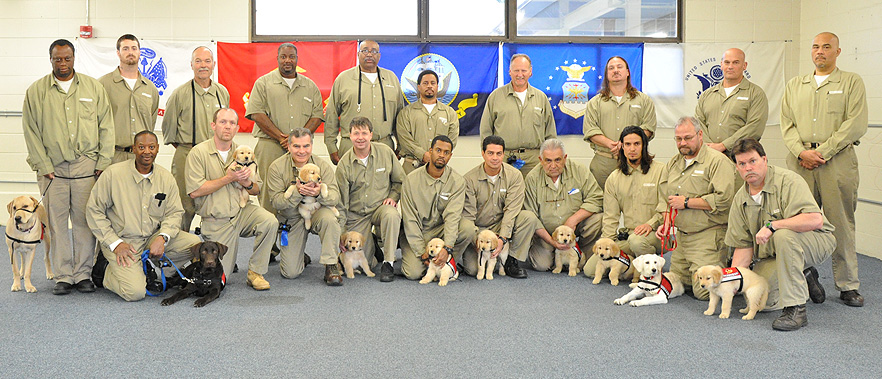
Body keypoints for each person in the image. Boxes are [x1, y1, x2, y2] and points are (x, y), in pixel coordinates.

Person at [780, 32, 868, 307]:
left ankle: (847, 285)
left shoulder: (851, 82)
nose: (820, 51)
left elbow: (855, 124)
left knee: (840, 223)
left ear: (838, 51)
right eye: (816, 47)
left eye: (826, 47)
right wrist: (801, 152)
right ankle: (805, 275)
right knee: (796, 222)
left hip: (837, 161)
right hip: (800, 161)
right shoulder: (796, 85)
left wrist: (822, 152)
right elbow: (787, 123)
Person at [22, 39, 113, 295]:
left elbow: (106, 125)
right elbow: (31, 131)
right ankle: (63, 275)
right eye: (57, 59)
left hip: (87, 165)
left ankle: (83, 274)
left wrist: (103, 161)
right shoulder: (37, 91)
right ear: (50, 59)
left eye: (67, 58)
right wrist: (43, 164)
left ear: (74, 58)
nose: (63, 64)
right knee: (57, 223)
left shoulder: (93, 88)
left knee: (85, 221)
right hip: (53, 169)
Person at [727, 138, 835, 331]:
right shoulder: (740, 200)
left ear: (764, 159)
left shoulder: (788, 181)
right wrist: (732, 282)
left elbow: (815, 220)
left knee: (783, 235)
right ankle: (805, 274)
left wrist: (773, 225)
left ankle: (796, 309)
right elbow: (743, 247)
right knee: (762, 301)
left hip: (816, 240)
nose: (748, 168)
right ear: (737, 168)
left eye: (753, 161)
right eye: (742, 164)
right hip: (777, 253)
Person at [86, 131, 201, 301]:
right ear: (134, 149)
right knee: (134, 293)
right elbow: (93, 210)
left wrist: (163, 237)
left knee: (195, 245)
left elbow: (175, 213)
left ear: (157, 149)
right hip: (123, 241)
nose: (147, 151)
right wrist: (115, 243)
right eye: (141, 147)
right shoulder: (113, 175)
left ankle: (144, 270)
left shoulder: (166, 178)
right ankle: (105, 272)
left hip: (152, 238)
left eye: (151, 147)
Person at [185, 108, 277, 290]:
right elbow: (194, 191)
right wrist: (229, 178)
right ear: (213, 125)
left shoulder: (245, 152)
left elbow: (256, 190)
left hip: (242, 211)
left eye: (232, 123)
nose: (227, 127)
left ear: (237, 128)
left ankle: (255, 272)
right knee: (219, 278)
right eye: (223, 122)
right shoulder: (199, 153)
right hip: (217, 219)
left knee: (270, 222)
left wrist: (247, 183)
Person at [655, 116, 736, 300]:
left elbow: (723, 199)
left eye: (688, 137)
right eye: (678, 139)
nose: (683, 143)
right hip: (682, 237)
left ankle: (739, 273)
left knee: (704, 292)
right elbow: (665, 197)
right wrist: (666, 223)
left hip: (707, 234)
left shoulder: (717, 161)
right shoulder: (674, 163)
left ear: (700, 135)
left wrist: (686, 202)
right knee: (673, 282)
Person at [246, 42, 323, 217]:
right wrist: (282, 138)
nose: (287, 60)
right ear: (277, 59)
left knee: (301, 186)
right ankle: (270, 234)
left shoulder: (310, 86)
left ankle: (293, 233)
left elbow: (317, 116)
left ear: (297, 59)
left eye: (291, 57)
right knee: (268, 188)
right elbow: (257, 114)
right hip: (270, 145)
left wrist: (297, 142)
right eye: (283, 57)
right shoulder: (263, 83)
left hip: (300, 149)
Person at [162, 46, 231, 232]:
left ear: (214, 65)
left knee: (218, 203)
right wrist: (187, 148)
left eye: (207, 61)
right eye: (198, 61)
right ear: (191, 65)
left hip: (216, 156)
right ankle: (178, 249)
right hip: (187, 153)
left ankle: (217, 250)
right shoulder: (180, 94)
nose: (203, 65)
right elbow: (168, 127)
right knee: (183, 207)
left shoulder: (222, 92)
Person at [267, 128, 344, 286]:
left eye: (306, 146)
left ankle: (331, 264)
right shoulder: (276, 167)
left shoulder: (322, 165)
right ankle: (300, 255)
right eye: (296, 146)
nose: (302, 151)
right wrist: (297, 192)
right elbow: (276, 202)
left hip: (317, 212)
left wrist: (319, 194)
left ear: (312, 145)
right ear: (288, 147)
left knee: (329, 218)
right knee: (290, 273)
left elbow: (335, 196)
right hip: (292, 218)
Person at [583, 126, 663, 278]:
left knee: (637, 242)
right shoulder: (614, 178)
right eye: (627, 144)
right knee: (591, 270)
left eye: (637, 144)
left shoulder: (660, 171)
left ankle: (653, 271)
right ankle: (632, 264)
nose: (632, 149)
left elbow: (666, 209)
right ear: (621, 147)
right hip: (629, 237)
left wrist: (650, 224)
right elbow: (610, 217)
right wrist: (607, 244)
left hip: (655, 234)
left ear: (644, 146)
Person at [335, 117, 404, 282]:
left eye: (364, 133)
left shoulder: (386, 153)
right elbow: (341, 203)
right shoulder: (344, 164)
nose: (360, 137)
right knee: (363, 262)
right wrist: (341, 234)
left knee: (392, 214)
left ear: (371, 134)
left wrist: (393, 197)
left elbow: (400, 181)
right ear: (349, 136)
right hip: (356, 214)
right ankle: (373, 246)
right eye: (356, 133)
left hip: (380, 208)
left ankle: (388, 262)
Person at [399, 135, 475, 280]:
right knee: (413, 273)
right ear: (430, 151)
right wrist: (422, 252)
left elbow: (452, 217)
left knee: (468, 228)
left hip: (441, 231)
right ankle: (428, 261)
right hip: (419, 232)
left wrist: (447, 248)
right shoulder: (411, 180)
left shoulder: (457, 182)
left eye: (446, 153)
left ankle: (445, 262)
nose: (441, 155)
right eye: (438, 150)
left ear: (450, 156)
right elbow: (410, 220)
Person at [461, 135, 537, 279]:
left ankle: (511, 260)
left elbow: (511, 211)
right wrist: (479, 241)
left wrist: (502, 239)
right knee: (472, 270)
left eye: (499, 153)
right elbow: (468, 217)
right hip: (480, 230)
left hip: (503, 225)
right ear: (483, 154)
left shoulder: (515, 176)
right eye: (490, 153)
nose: (495, 158)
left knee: (528, 218)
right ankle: (488, 257)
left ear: (503, 154)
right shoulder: (469, 179)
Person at [523, 139, 602, 272]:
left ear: (565, 158)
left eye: (558, 160)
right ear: (540, 160)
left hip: (574, 230)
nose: (553, 165)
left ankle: (582, 254)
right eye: (548, 160)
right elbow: (531, 218)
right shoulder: (532, 178)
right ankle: (551, 252)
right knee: (542, 265)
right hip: (546, 234)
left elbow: (596, 198)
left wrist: (573, 220)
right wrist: (552, 241)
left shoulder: (579, 171)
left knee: (600, 219)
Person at [583, 56, 657, 189]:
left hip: (635, 163)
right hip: (603, 163)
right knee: (601, 205)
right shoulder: (595, 103)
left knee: (635, 203)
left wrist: (625, 145)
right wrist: (612, 144)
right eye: (611, 68)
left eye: (619, 67)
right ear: (606, 74)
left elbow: (648, 127)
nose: (615, 70)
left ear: (628, 72)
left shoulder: (644, 101)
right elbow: (590, 130)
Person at [325, 40, 404, 164]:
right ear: (358, 54)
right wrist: (331, 148)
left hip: (384, 148)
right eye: (365, 50)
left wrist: (401, 146)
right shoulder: (343, 79)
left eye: (374, 51)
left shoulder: (391, 79)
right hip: (351, 148)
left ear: (379, 56)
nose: (369, 54)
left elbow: (400, 117)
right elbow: (331, 115)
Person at [480, 54, 556, 176]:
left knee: (534, 195)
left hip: (535, 161)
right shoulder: (495, 97)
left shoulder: (541, 98)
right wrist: (490, 156)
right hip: (504, 159)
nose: (520, 74)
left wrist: (550, 158)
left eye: (523, 70)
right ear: (510, 71)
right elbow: (486, 130)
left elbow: (550, 133)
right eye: (516, 70)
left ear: (530, 72)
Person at [98, 34, 160, 164]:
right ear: (118, 53)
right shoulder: (103, 84)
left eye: (134, 48)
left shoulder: (150, 88)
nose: (130, 52)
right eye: (125, 49)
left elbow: (151, 122)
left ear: (139, 52)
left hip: (142, 157)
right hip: (113, 156)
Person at [695, 48, 769, 154]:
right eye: (727, 62)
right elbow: (698, 123)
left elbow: (755, 126)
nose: (730, 67)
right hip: (709, 156)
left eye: (736, 62)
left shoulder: (755, 94)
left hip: (739, 157)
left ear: (744, 66)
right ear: (721, 65)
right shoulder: (707, 95)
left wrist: (724, 146)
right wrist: (710, 148)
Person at [396, 69, 459, 174]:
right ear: (419, 87)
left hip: (438, 168)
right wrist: (422, 154)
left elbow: (452, 139)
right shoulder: (406, 113)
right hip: (412, 167)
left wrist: (437, 156)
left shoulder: (449, 113)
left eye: (432, 83)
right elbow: (404, 139)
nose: (429, 86)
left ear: (437, 87)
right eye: (425, 83)